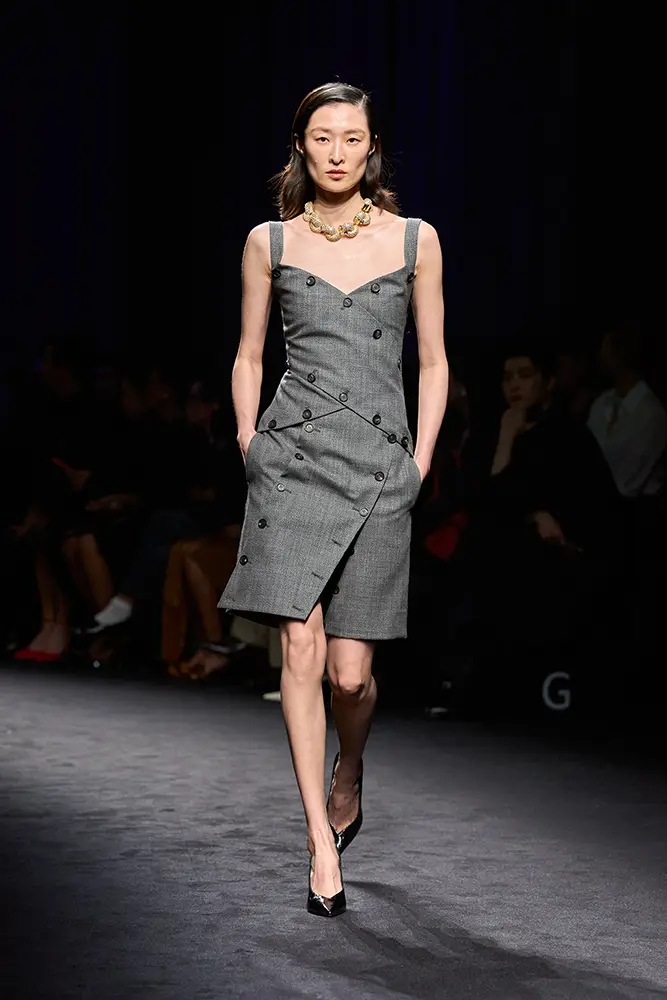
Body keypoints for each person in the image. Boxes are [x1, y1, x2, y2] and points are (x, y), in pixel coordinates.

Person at [217, 82, 448, 916]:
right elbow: (249, 353)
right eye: (322, 137)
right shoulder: (270, 241)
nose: (338, 152)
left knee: (351, 679)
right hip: (293, 461)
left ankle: (349, 769)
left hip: (380, 467)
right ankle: (319, 839)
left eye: (352, 138)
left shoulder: (414, 239)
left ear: (371, 147)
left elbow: (433, 361)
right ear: (301, 146)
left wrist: (419, 462)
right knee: (300, 651)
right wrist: (249, 439)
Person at [587, 322, 667, 498]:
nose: (599, 356)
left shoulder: (651, 414)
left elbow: (626, 482)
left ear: (620, 355)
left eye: (604, 349)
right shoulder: (602, 403)